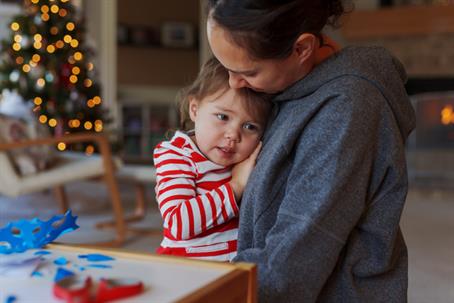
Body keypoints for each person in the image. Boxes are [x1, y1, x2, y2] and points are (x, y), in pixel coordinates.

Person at [206, 0, 416, 301]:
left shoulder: (347, 111)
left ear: (302, 49)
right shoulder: (290, 87)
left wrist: (207, 289)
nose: (233, 83)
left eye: (247, 72)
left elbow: (294, 260)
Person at [153, 57, 272, 261]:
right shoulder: (177, 155)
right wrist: (235, 186)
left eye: (250, 126)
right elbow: (178, 223)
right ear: (195, 109)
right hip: (188, 270)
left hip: (235, 270)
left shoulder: (246, 159)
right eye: (223, 117)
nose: (233, 135)